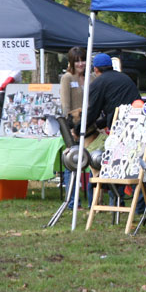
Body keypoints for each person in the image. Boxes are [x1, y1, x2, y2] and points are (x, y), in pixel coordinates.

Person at [59, 47, 88, 209]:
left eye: (82, 60)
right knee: (73, 163)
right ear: (71, 62)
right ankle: (72, 202)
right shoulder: (67, 78)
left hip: (89, 126)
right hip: (73, 127)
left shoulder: (90, 77)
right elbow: (65, 105)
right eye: (77, 61)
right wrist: (70, 129)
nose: (80, 64)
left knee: (89, 162)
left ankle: (93, 200)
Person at [85, 53, 141, 132]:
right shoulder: (125, 77)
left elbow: (93, 112)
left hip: (118, 126)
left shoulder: (98, 83)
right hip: (138, 121)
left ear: (95, 69)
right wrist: (99, 124)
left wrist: (79, 129)